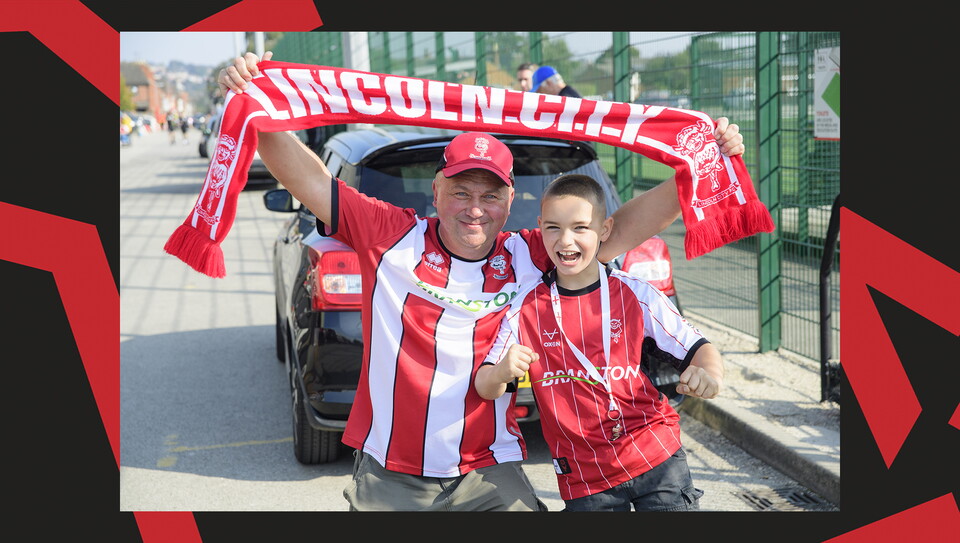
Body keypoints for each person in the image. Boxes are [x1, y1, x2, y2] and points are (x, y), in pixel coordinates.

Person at [218, 51, 743, 512]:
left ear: (510, 203)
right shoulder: (390, 234)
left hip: (489, 472)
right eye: (462, 192)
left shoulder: (527, 252)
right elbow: (307, 179)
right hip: (393, 472)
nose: (475, 209)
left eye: (490, 196)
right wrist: (257, 107)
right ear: (438, 190)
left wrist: (701, 163)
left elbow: (620, 228)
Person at [475, 173, 723, 511]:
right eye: (553, 228)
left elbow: (699, 348)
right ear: (539, 227)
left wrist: (709, 375)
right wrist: (502, 371)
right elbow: (485, 385)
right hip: (585, 478)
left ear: (604, 230)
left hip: (656, 458)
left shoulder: (635, 293)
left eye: (580, 227)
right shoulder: (525, 308)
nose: (566, 241)